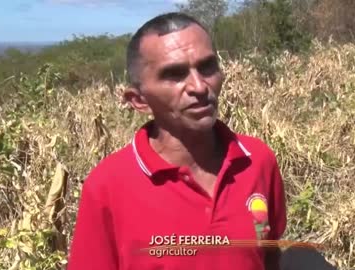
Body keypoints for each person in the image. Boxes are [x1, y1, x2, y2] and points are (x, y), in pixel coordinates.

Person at [67, 12, 287, 270]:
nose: (199, 86)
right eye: (175, 74)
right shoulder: (107, 186)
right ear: (139, 100)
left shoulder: (257, 160)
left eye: (207, 67)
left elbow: (269, 256)